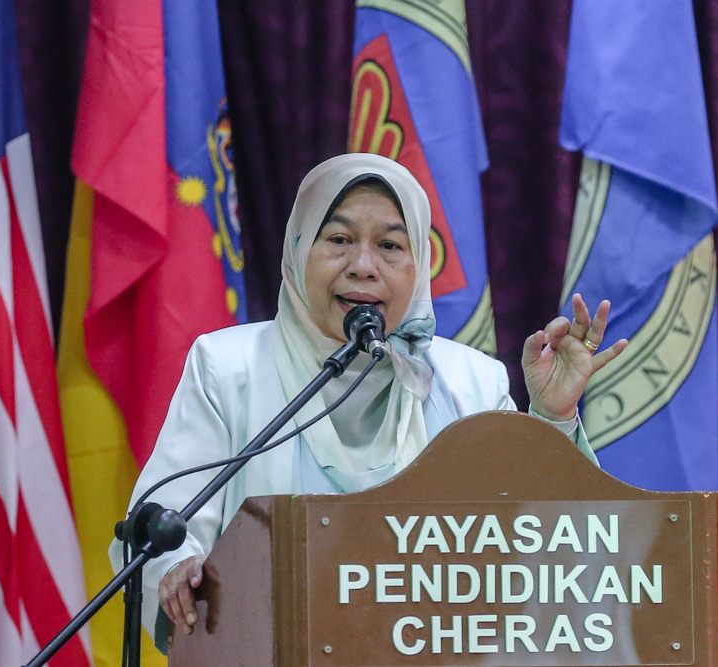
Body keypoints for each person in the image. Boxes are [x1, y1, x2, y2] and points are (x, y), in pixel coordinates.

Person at [109, 153, 627, 649]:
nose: (363, 265)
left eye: (391, 246)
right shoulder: (229, 367)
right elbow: (161, 525)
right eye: (338, 239)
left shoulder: (471, 382)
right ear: (296, 250)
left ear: (420, 265)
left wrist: (553, 417)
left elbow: (543, 552)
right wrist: (179, 567)